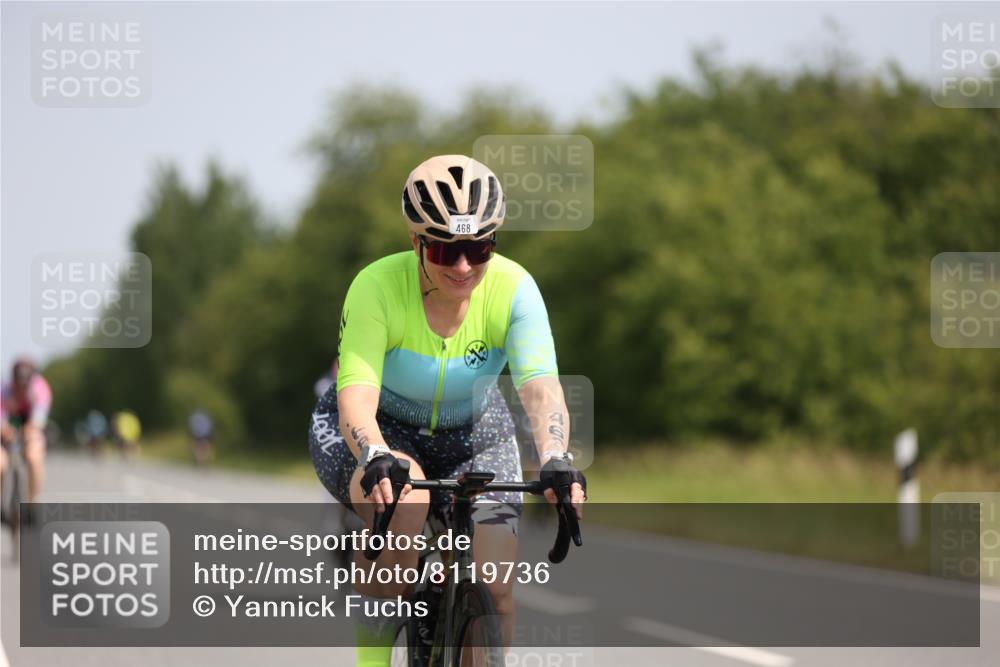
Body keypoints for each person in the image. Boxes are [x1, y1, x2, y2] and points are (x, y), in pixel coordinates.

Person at [309, 155, 586, 664]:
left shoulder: (515, 289)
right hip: (379, 428)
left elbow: (541, 388)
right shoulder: (376, 286)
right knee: (405, 510)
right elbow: (357, 393)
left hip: (475, 432)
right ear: (416, 242)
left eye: (478, 248)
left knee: (497, 587)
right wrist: (373, 453)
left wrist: (554, 456)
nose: (463, 267)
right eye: (445, 249)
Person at [0, 357, 53, 503]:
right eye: (18, 383)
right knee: (1, 464)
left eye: (24, 384)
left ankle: (32, 503)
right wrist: (4, 428)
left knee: (34, 457)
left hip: (30, 424)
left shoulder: (40, 388)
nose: (21, 388)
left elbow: (39, 418)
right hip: (7, 424)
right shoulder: (4, 390)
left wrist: (30, 430)